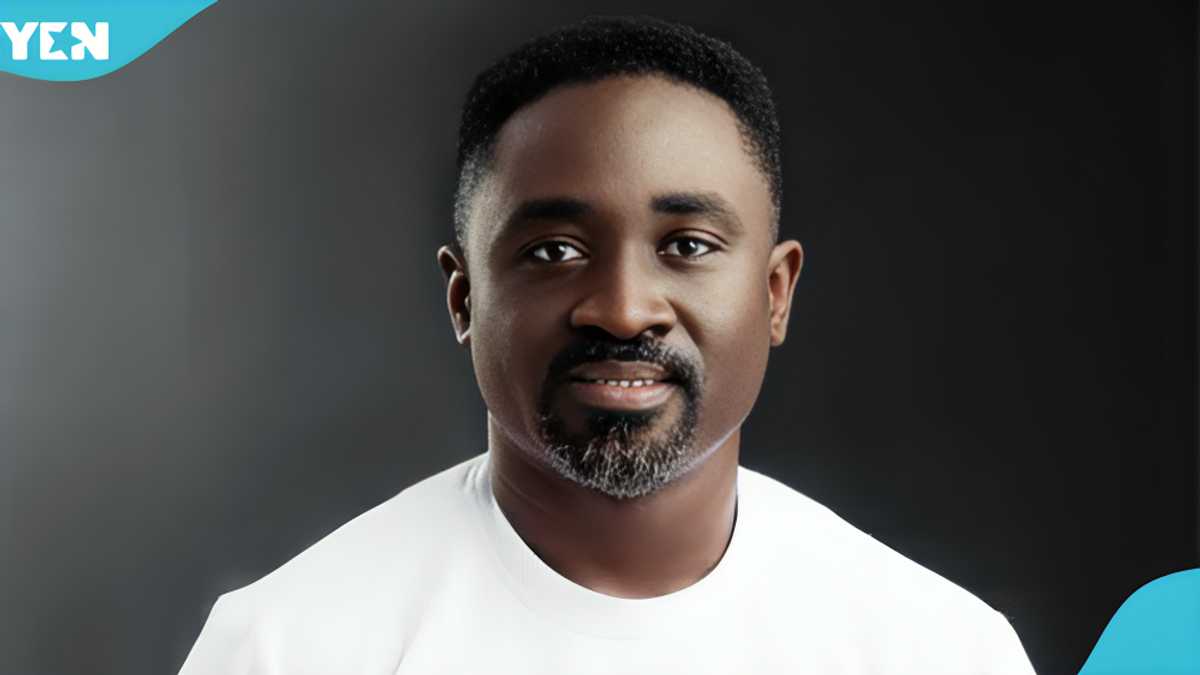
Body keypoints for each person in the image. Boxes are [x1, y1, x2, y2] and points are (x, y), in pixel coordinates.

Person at [179, 15, 1036, 674]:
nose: (624, 310)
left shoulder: (941, 650)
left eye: (687, 245)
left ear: (775, 293)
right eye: (555, 251)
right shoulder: (287, 647)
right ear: (464, 295)